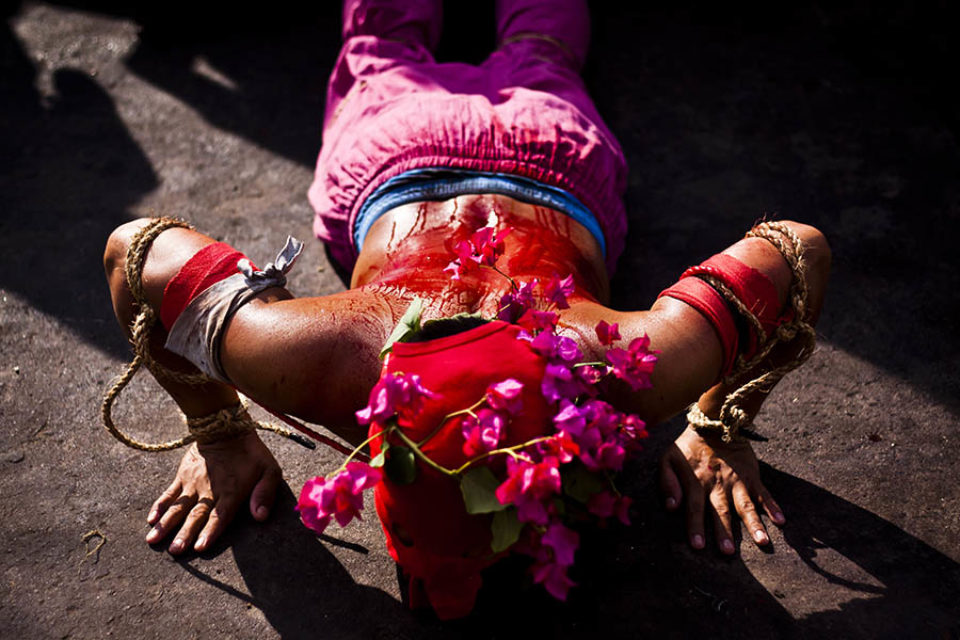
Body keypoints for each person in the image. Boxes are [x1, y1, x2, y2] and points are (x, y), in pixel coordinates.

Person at [102, 0, 830, 614]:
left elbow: (134, 251)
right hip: (457, 148)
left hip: (516, 148)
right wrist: (718, 425)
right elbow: (798, 248)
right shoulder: (326, 359)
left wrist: (221, 433)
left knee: (492, 45)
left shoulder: (617, 365)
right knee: (409, 46)